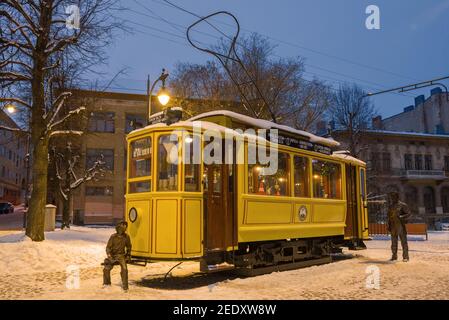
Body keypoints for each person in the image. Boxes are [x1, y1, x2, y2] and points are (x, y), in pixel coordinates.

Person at [103, 221, 132, 291]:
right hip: (113, 255)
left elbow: (129, 247)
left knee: (124, 269)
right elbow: (108, 248)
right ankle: (107, 284)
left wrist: (128, 255)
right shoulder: (113, 237)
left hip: (121, 256)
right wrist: (109, 256)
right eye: (123, 226)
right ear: (119, 227)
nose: (125, 228)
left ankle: (125, 287)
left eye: (125, 226)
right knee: (106, 268)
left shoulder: (126, 237)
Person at [387, 192, 411, 262]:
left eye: (393, 197)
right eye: (392, 197)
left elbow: (408, 214)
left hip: (400, 225)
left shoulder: (402, 205)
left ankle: (405, 257)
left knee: (403, 242)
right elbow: (389, 217)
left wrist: (402, 216)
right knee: (393, 242)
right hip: (393, 225)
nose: (392, 198)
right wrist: (388, 225)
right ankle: (394, 256)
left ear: (397, 197)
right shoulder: (391, 206)